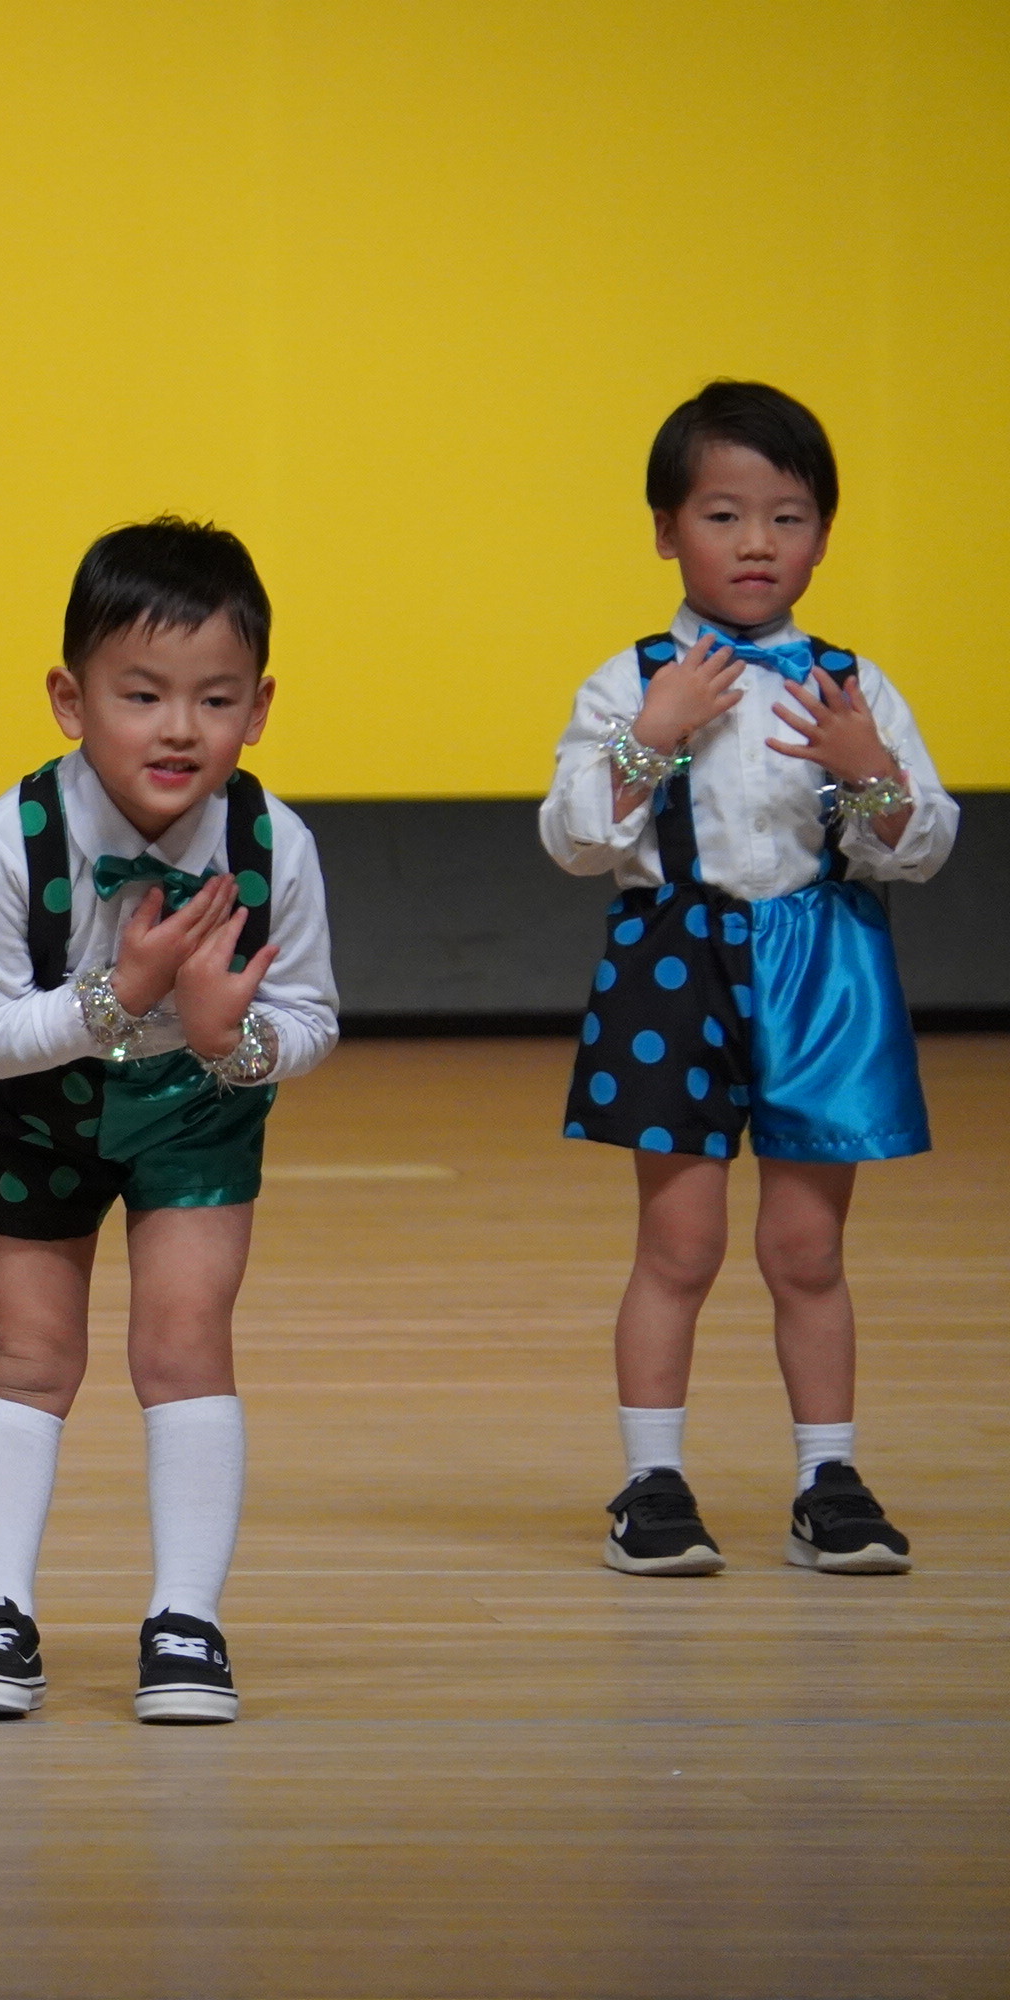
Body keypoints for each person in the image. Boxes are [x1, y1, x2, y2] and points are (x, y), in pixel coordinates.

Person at [0, 517, 338, 1725]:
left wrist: (227, 1041)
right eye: (140, 693)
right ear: (70, 699)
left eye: (212, 698)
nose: (176, 727)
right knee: (26, 1352)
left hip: (198, 1105)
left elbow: (311, 1017)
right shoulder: (12, 836)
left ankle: (185, 1618)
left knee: (182, 1343)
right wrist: (121, 994)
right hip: (31, 1108)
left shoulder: (274, 842)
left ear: (257, 707)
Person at [542, 380, 955, 1579]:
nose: (756, 542)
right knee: (676, 1244)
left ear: (821, 536)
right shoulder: (627, 679)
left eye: (787, 516)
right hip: (673, 962)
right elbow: (573, 837)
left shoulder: (851, 684)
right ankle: (649, 1482)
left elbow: (918, 845)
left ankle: (827, 1478)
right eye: (722, 514)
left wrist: (868, 768)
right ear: (665, 529)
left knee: (806, 1249)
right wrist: (651, 731)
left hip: (820, 964)